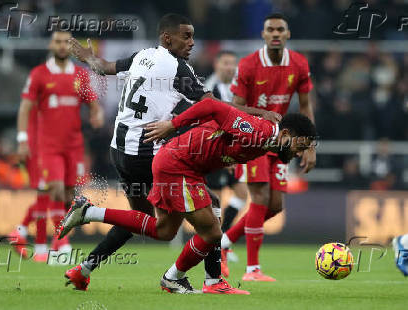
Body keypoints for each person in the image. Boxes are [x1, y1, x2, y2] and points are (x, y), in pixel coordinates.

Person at [64, 13, 264, 294]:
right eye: (186, 36)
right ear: (167, 38)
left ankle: (83, 269)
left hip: (119, 151)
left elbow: (104, 66)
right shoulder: (177, 68)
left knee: (139, 219)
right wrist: (259, 114)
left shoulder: (142, 55)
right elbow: (217, 107)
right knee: (203, 207)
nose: (192, 42)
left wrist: (87, 56)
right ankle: (213, 280)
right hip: (147, 153)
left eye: (193, 36)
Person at [57, 98, 316, 294]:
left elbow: (223, 127)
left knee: (165, 230)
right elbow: (212, 105)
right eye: (299, 147)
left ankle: (88, 212)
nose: (297, 154)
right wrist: (173, 125)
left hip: (184, 165)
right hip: (179, 165)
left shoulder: (268, 141)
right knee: (213, 232)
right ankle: (180, 279)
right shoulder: (258, 132)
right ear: (285, 135)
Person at [221, 12, 316, 281]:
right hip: (254, 140)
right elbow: (234, 107)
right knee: (260, 199)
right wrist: (259, 117)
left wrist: (309, 146)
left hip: (283, 144)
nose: (275, 34)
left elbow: (306, 106)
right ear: (263, 35)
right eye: (270, 29)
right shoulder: (249, 65)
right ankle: (253, 270)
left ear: (287, 34)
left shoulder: (299, 63)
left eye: (280, 29)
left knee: (275, 207)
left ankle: (223, 243)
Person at [16, 30, 104, 259]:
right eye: (58, 42)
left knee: (67, 195)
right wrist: (23, 139)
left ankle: (39, 239)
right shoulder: (39, 74)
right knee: (52, 189)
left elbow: (92, 103)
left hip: (74, 145)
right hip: (48, 146)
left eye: (67, 42)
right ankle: (60, 246)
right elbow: (25, 108)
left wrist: (97, 114)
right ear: (51, 44)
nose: (63, 46)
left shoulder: (80, 75)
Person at [205, 51, 248, 263]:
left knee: (242, 193)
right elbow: (213, 124)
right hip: (215, 152)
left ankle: (222, 242)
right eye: (225, 63)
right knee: (215, 202)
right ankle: (213, 248)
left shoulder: (236, 89)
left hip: (232, 152)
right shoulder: (210, 88)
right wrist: (225, 155)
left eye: (233, 63)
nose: (230, 67)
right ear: (217, 64)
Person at [9, 104, 50, 262]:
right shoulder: (41, 90)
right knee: (44, 197)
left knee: (47, 198)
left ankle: (20, 232)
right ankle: (39, 248)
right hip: (39, 151)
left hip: (42, 150)